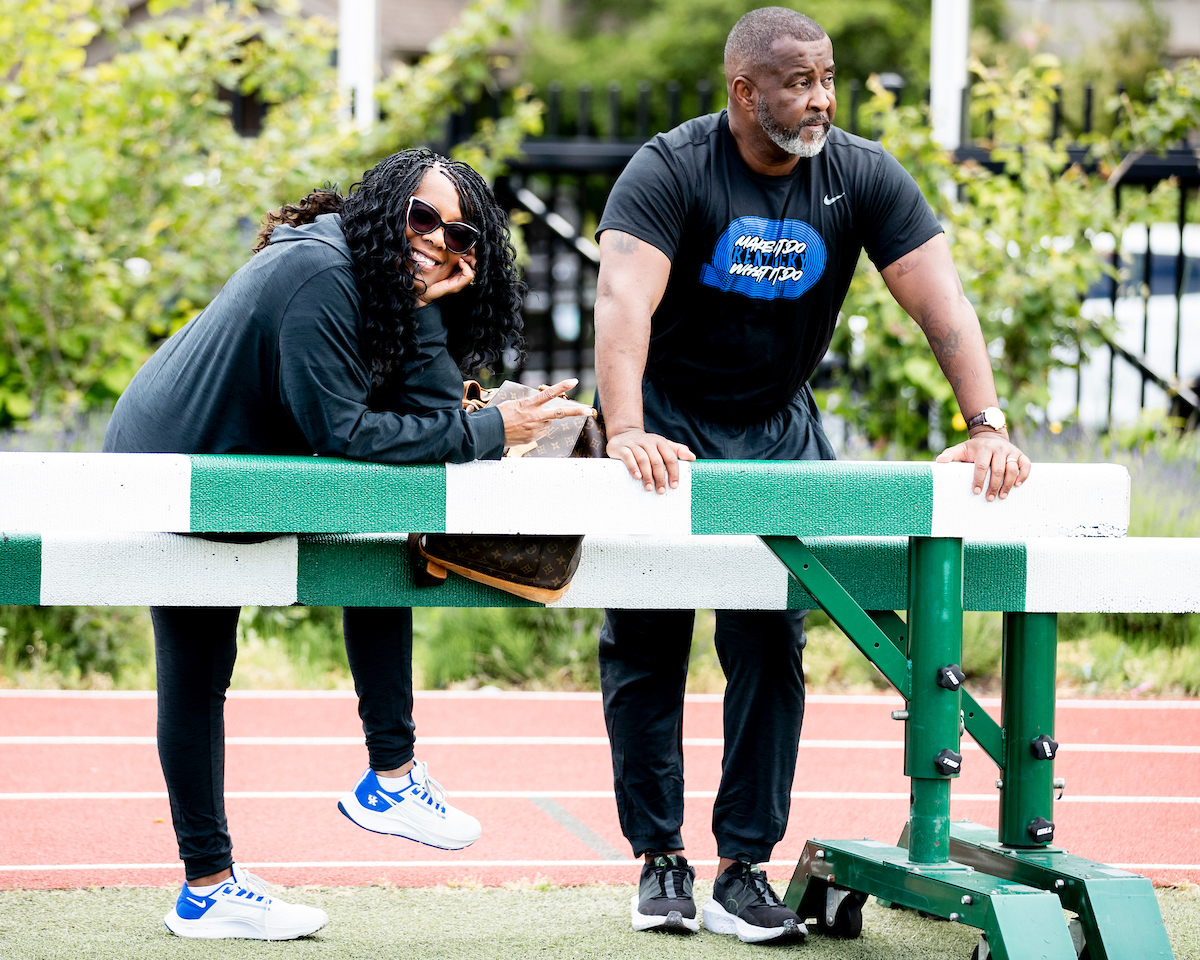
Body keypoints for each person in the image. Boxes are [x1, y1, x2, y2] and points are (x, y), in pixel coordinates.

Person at [592, 7, 1032, 944]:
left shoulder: (860, 173)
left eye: (827, 77)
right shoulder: (671, 169)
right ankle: (658, 857)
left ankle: (742, 866)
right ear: (745, 92)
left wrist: (986, 425)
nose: (821, 97)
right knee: (647, 643)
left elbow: (941, 304)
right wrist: (625, 428)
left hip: (777, 431)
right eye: (799, 82)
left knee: (770, 649)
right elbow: (622, 300)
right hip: (666, 431)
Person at [103, 149, 586, 940]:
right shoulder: (321, 273)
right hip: (178, 464)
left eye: (458, 235)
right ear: (384, 208)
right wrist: (495, 427)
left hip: (243, 462)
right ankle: (215, 881)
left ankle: (386, 778)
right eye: (421, 218)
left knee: (383, 521)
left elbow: (423, 419)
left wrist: (427, 312)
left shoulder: (379, 286)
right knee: (198, 671)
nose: (436, 241)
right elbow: (349, 431)